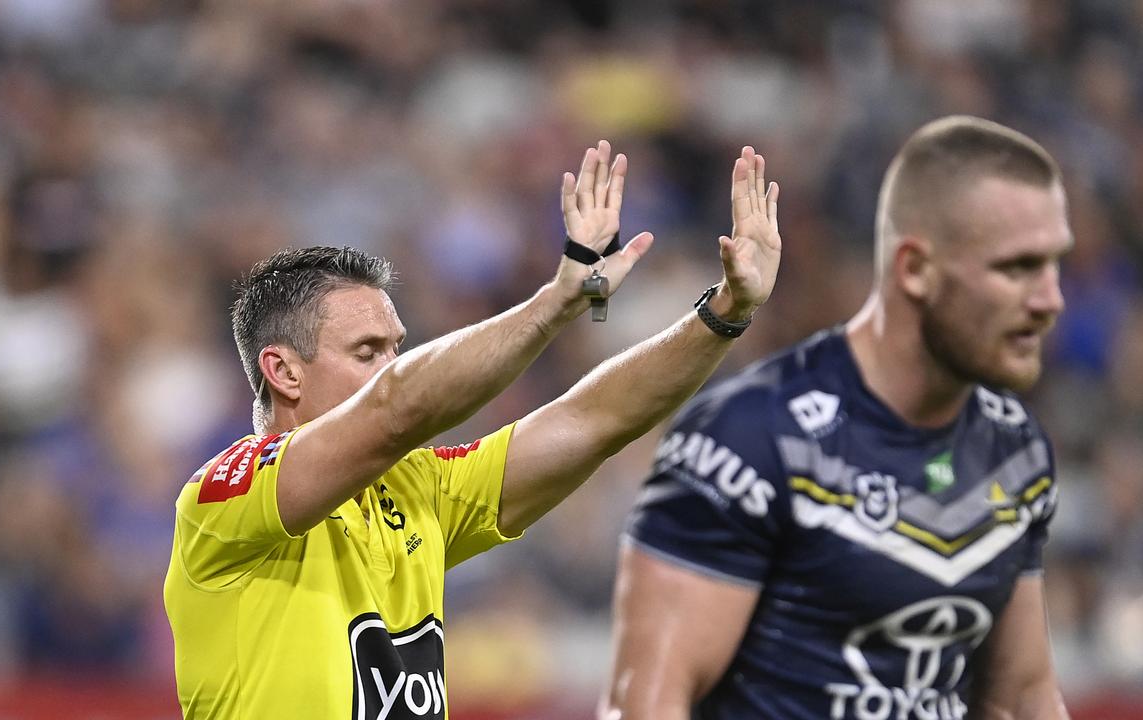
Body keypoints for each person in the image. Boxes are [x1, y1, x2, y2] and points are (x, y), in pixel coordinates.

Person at [163, 141, 781, 718]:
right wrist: (557, 301)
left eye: (395, 350)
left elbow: (592, 420)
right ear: (283, 372)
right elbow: (397, 407)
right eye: (366, 351)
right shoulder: (223, 504)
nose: (390, 368)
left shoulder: (419, 489)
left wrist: (725, 313)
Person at [602, 116, 1073, 720]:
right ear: (915, 270)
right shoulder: (749, 439)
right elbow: (644, 706)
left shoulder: (1016, 450)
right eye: (1017, 268)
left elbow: (1019, 699)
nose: (1050, 299)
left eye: (1055, 265)